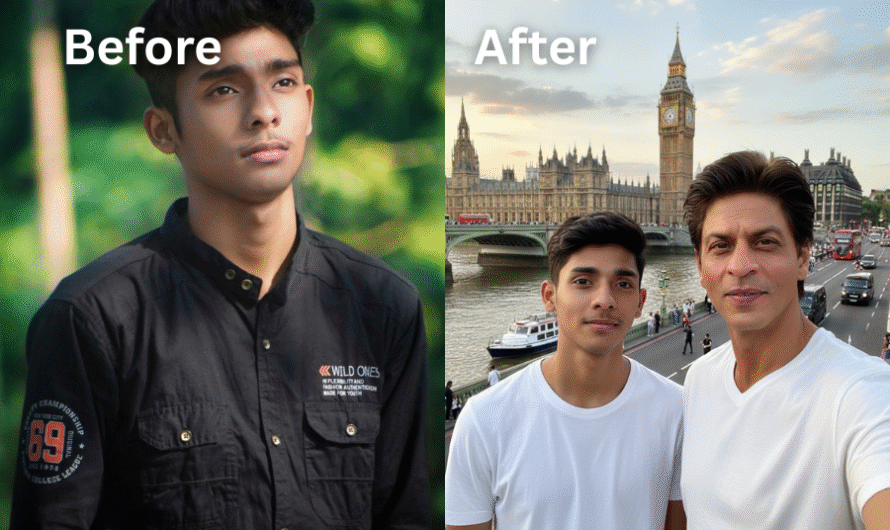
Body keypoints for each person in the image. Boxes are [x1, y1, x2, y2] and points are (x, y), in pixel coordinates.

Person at [10, 1, 429, 528]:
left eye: (282, 82)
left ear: (308, 106)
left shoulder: (382, 307)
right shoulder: (92, 320)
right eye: (224, 89)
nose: (264, 112)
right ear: (164, 130)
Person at [681, 151, 890, 529]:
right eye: (720, 246)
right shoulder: (698, 380)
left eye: (764, 242)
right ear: (700, 265)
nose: (740, 266)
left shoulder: (862, 394)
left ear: (803, 257)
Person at [446, 212, 685, 530]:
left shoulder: (678, 411)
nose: (604, 300)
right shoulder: (483, 420)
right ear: (550, 296)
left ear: (641, 302)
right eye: (583, 281)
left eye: (623, 284)